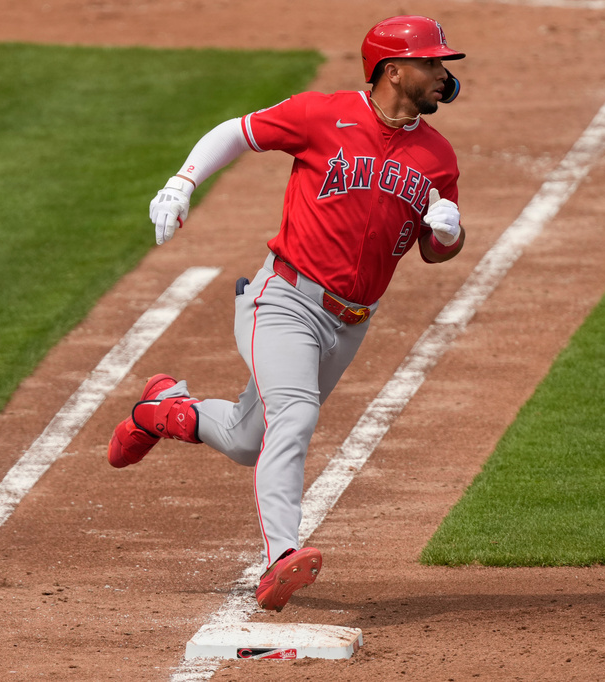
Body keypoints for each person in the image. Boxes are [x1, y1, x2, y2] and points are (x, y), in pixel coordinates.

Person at [107, 15, 467, 612]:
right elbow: (236, 131)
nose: (442, 74)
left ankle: (163, 411)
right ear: (393, 70)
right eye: (432, 62)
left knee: (252, 439)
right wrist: (181, 182)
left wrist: (449, 232)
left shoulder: (438, 156)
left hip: (351, 323)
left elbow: (435, 251)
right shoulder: (321, 114)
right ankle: (280, 558)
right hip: (285, 301)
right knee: (294, 416)